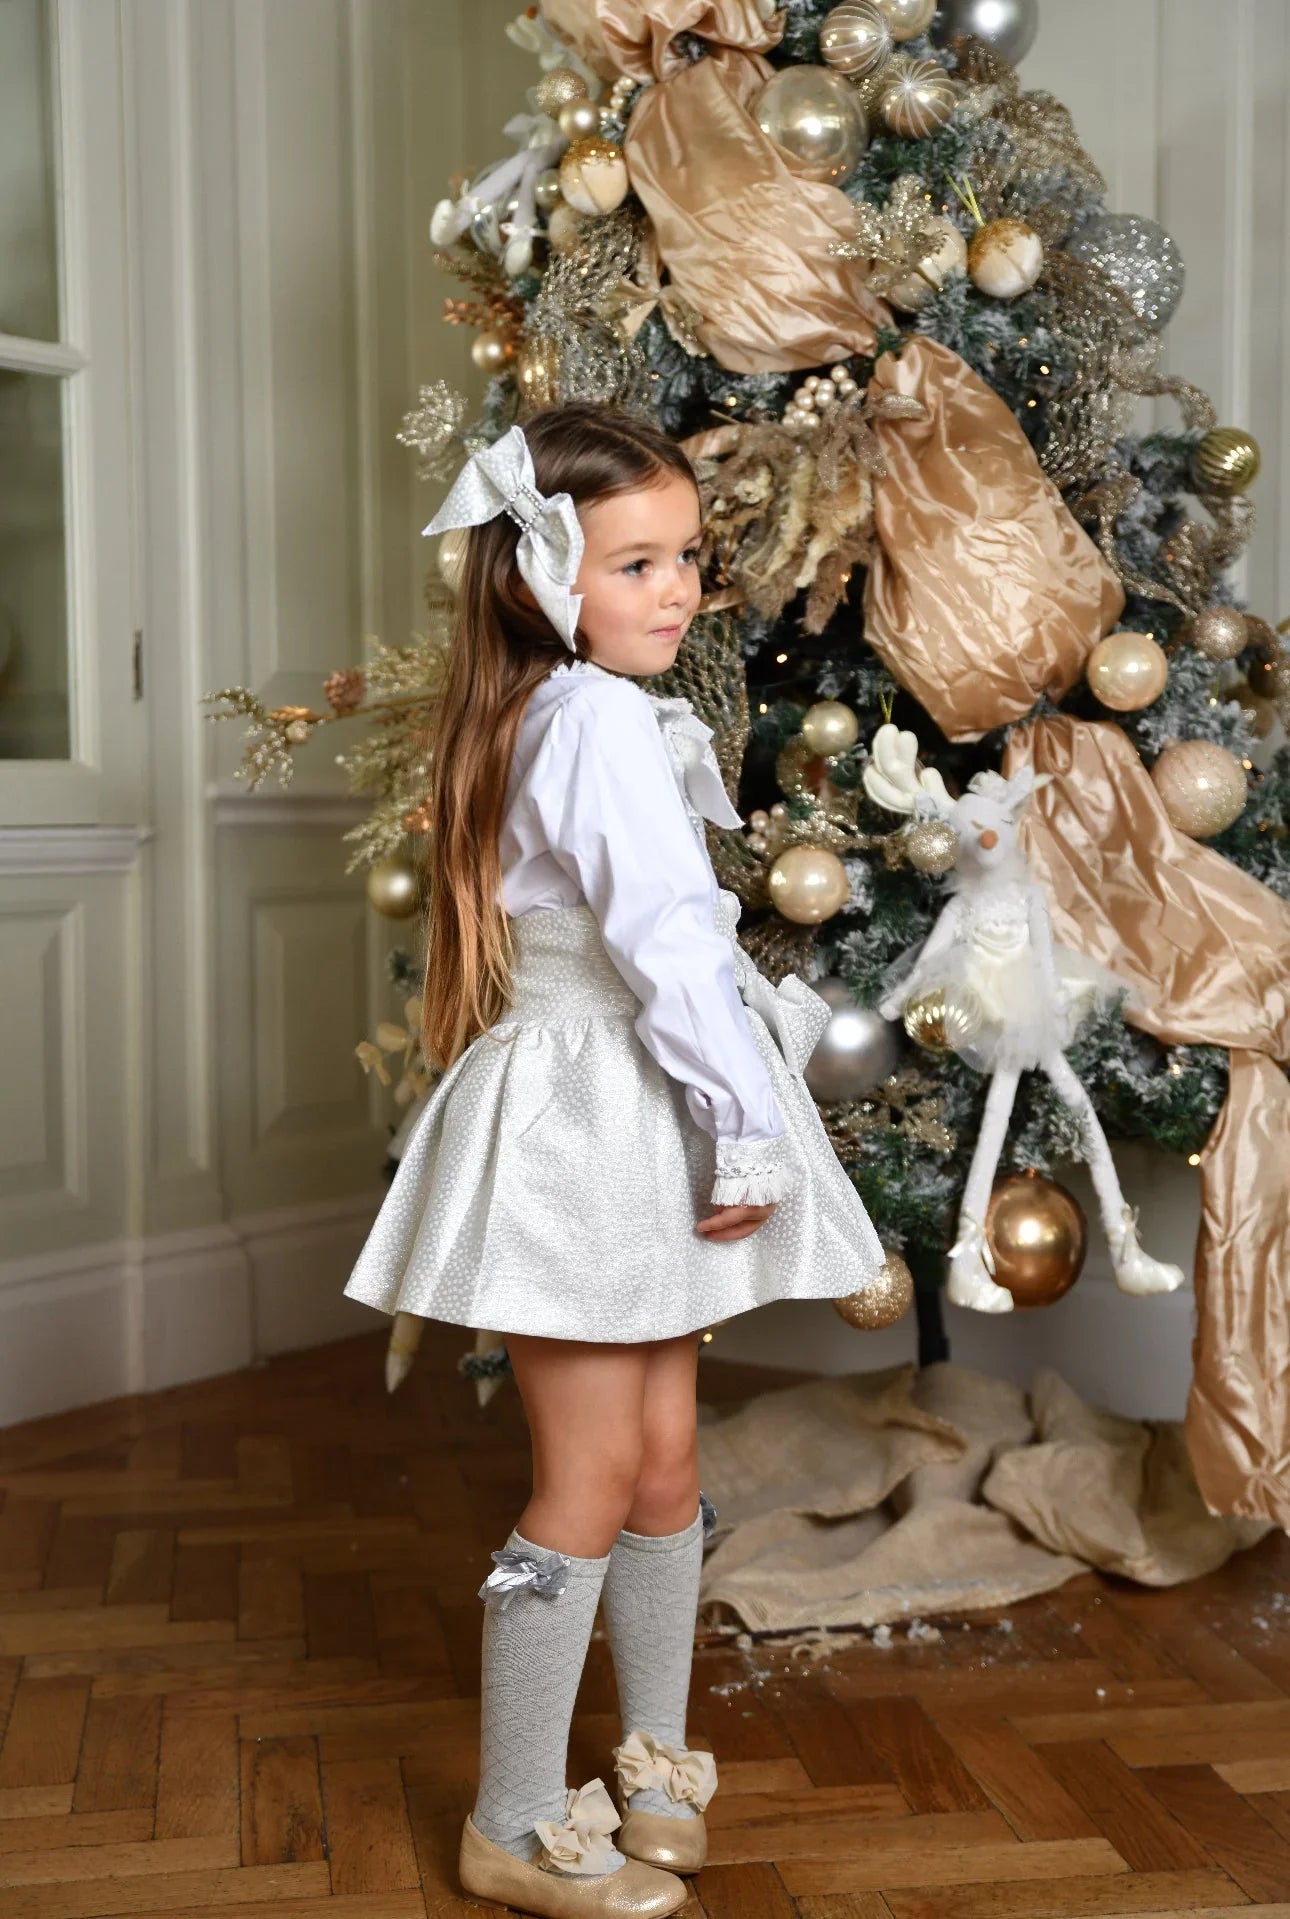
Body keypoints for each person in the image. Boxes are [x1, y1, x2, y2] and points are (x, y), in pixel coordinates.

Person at [343, 402, 886, 1917]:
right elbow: (662, 945)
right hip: (602, 1116)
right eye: (635, 563)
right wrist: (744, 1120)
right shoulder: (583, 720)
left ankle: (652, 1757)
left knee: (663, 1464)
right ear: (540, 578)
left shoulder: (598, 711)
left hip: (625, 1104)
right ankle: (511, 1820)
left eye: (688, 557)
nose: (678, 590)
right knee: (586, 1476)